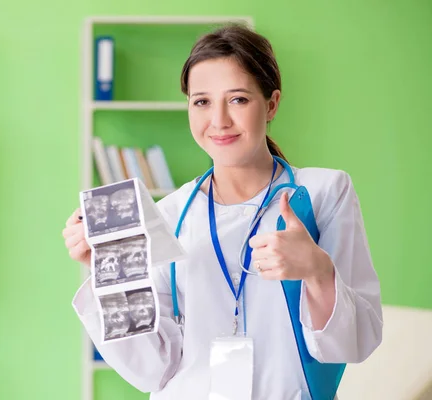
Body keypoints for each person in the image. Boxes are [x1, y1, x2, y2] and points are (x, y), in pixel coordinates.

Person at [62, 23, 383, 400]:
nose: (219, 120)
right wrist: (108, 275)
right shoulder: (170, 213)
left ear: (272, 104)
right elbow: (152, 369)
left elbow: (354, 343)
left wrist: (317, 270)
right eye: (201, 101)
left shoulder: (322, 193)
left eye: (238, 99)